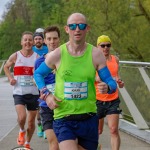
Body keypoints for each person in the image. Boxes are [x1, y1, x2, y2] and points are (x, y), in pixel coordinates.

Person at [34, 13, 117, 150]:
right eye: (73, 26)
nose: (77, 29)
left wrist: (108, 87)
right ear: (67, 29)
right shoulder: (58, 54)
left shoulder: (96, 54)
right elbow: (38, 74)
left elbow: (111, 82)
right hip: (64, 117)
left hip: (89, 117)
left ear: (87, 28)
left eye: (81, 25)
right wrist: (47, 94)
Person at [3, 31, 39, 149]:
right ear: (21, 42)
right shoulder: (16, 56)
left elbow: (42, 72)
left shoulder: (37, 57)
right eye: (25, 40)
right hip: (19, 92)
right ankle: (21, 130)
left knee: (31, 122)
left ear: (33, 42)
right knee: (22, 117)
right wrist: (10, 78)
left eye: (30, 40)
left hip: (33, 93)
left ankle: (27, 143)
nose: (27, 42)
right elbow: (6, 67)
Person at [95, 35, 124, 150]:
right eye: (103, 45)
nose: (105, 48)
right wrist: (96, 79)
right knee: (98, 131)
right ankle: (96, 146)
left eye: (108, 45)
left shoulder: (115, 59)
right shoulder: (94, 60)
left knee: (113, 129)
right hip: (97, 100)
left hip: (113, 99)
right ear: (98, 47)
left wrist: (120, 82)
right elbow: (86, 77)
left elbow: (116, 75)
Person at [34, 25, 60, 150]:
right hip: (46, 105)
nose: (52, 42)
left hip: (64, 104)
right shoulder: (39, 62)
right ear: (45, 41)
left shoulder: (66, 58)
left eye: (55, 38)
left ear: (59, 39)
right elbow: (37, 79)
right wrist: (44, 92)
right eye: (49, 39)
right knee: (53, 144)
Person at [32, 31, 48, 138]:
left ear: (43, 40)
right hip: (36, 81)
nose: (38, 40)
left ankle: (47, 127)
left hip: (49, 81)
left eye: (40, 39)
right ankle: (39, 124)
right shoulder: (32, 51)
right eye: (36, 39)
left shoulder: (47, 50)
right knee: (40, 105)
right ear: (34, 41)